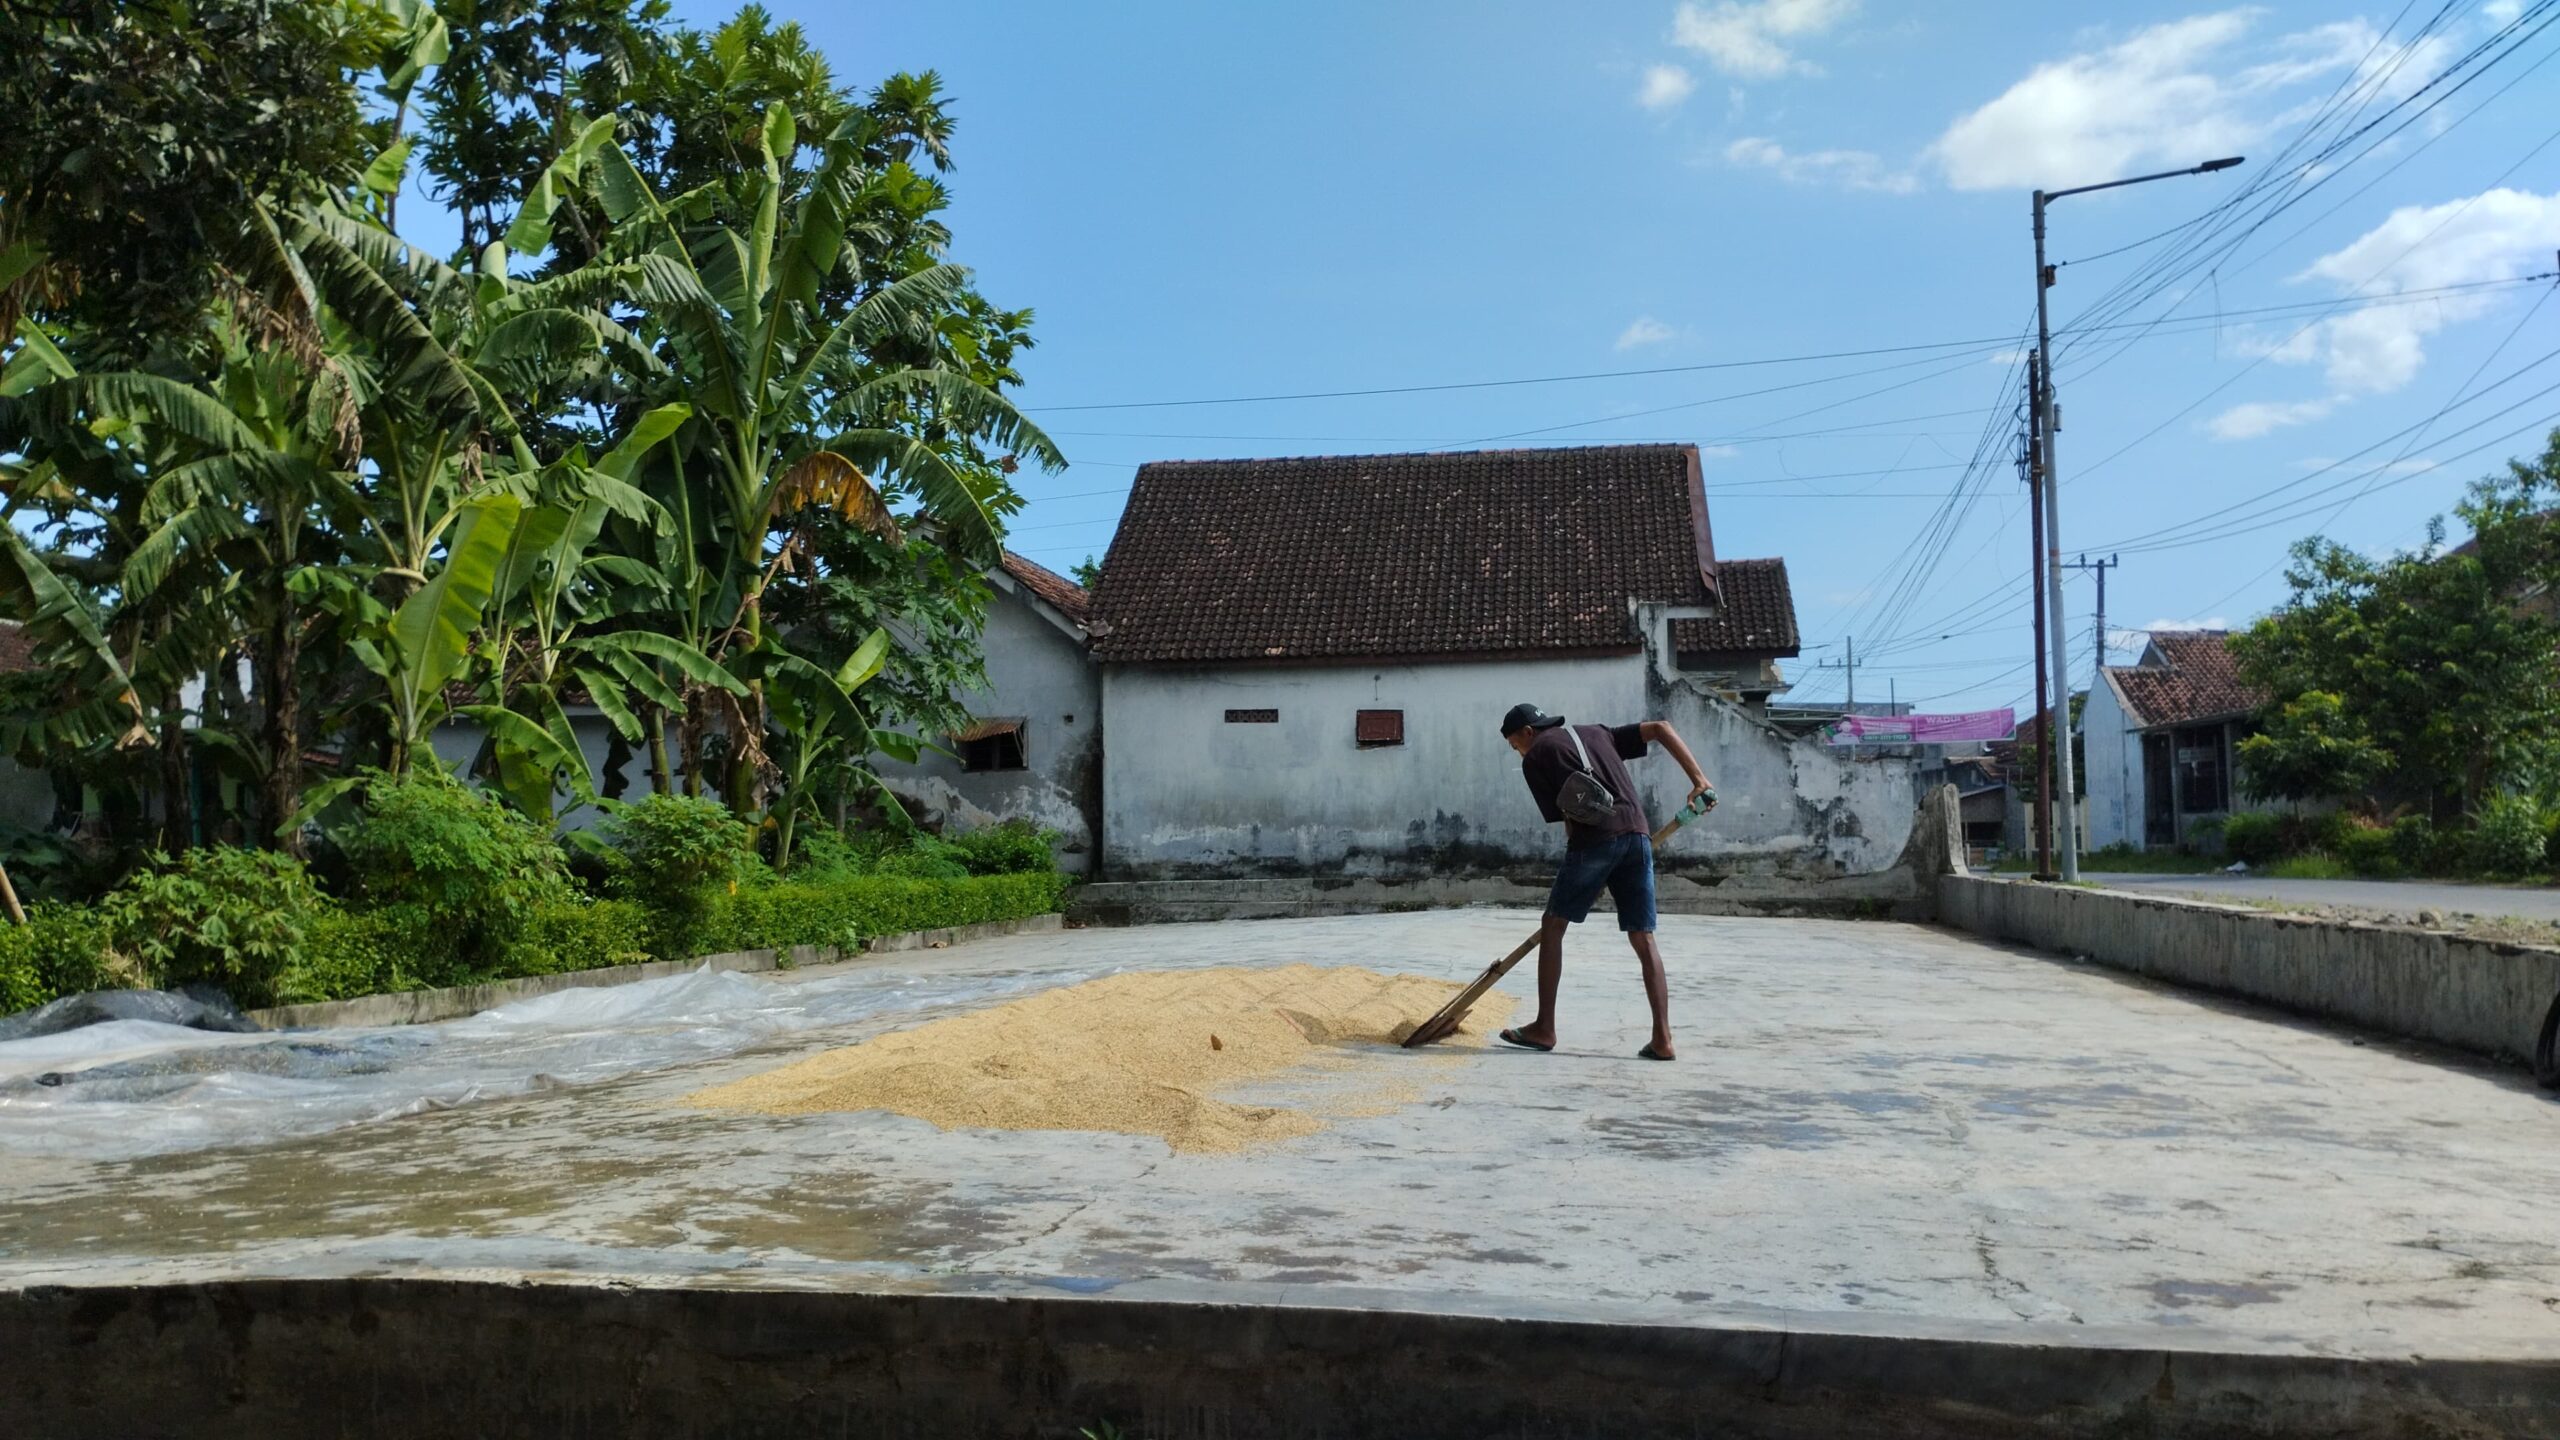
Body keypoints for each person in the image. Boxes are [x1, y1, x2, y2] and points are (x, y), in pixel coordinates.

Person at [1497, 702, 1713, 1061]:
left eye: (1513, 743)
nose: (1516, 750)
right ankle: (1663, 1038)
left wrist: (1590, 870)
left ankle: (1544, 1028)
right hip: (1638, 835)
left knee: (1553, 926)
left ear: (1527, 733)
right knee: (1644, 937)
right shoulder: (1597, 733)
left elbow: (1569, 819)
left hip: (1594, 842)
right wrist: (1699, 781)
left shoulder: (1536, 757)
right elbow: (1660, 727)